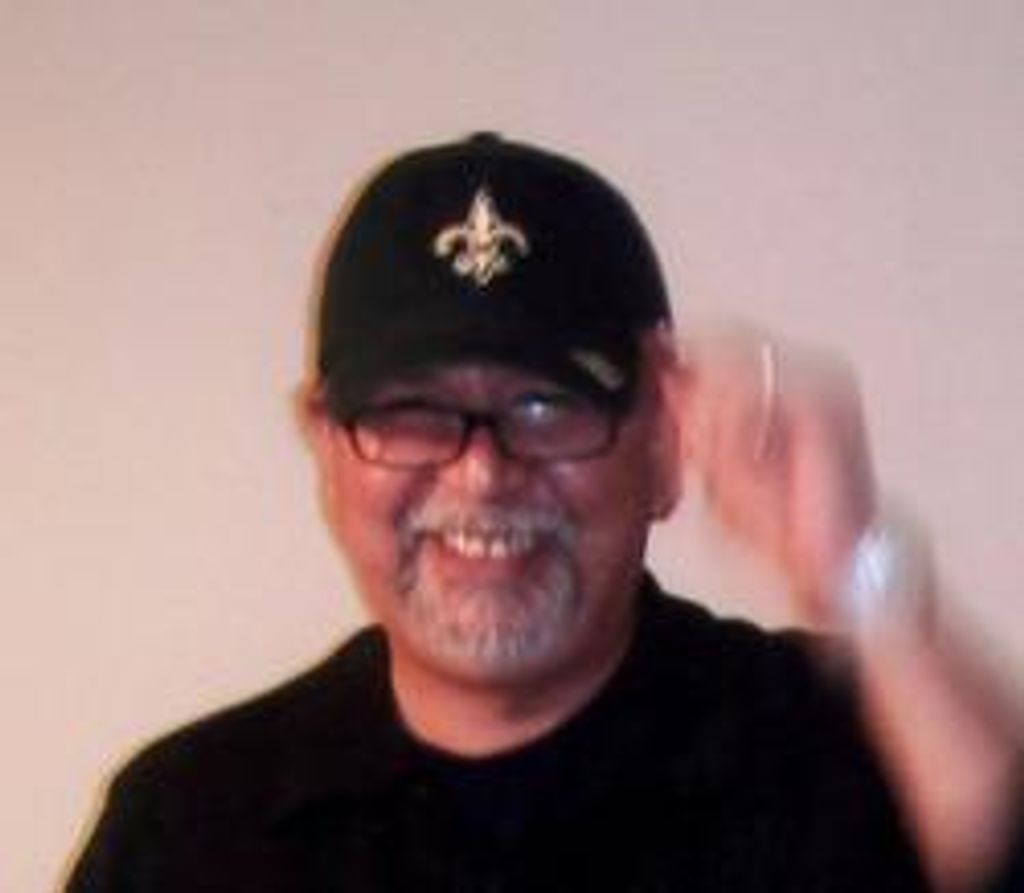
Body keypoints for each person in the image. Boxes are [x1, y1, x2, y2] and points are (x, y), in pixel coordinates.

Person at [67, 133, 1022, 891]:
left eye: (546, 406)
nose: (483, 473)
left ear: (663, 441)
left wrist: (852, 559)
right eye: (413, 410)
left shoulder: (833, 748)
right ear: (326, 445)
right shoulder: (188, 823)